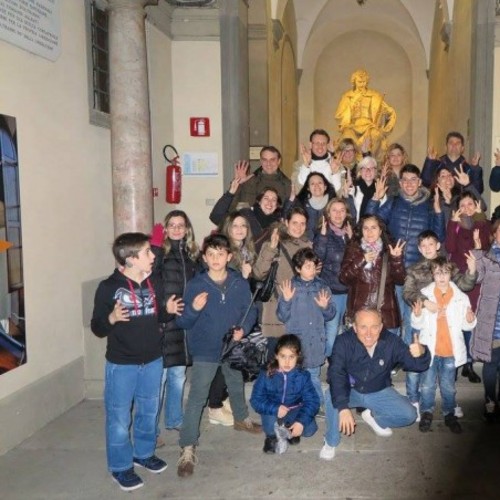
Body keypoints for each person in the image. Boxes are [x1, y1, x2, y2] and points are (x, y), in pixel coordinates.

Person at [90, 233, 181, 491]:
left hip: (153, 360)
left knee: (149, 411)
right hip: (122, 364)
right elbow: (97, 327)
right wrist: (111, 318)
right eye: (147, 252)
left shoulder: (154, 282)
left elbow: (158, 316)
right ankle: (120, 467)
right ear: (130, 259)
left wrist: (168, 311)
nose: (153, 256)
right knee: (119, 418)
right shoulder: (108, 287)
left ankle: (144, 453)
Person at [175, 234, 261, 478]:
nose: (215, 259)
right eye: (210, 254)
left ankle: (241, 419)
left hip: (231, 345)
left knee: (235, 381)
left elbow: (250, 311)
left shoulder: (238, 283)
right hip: (206, 349)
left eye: (220, 254)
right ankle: (187, 446)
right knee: (197, 396)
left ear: (229, 256)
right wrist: (194, 309)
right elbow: (183, 321)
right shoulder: (196, 285)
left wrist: (244, 329)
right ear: (204, 258)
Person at [319, 308, 430, 461]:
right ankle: (331, 441)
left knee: (410, 415)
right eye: (363, 327)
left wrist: (422, 352)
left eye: (374, 327)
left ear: (381, 327)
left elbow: (417, 365)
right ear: (355, 327)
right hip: (351, 390)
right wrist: (343, 408)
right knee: (331, 396)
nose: (369, 333)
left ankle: (372, 416)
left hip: (378, 390)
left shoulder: (391, 341)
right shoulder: (343, 341)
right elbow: (336, 374)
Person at [366, 164, 445, 345]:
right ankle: (393, 354)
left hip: (418, 272)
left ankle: (409, 353)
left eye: (413, 180)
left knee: (412, 318)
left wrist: (438, 212)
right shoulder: (393, 202)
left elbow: (439, 237)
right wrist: (375, 198)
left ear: (420, 182)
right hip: (393, 269)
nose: (409, 184)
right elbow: (369, 223)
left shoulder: (429, 205)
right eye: (405, 180)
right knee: (393, 317)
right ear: (400, 183)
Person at [403, 230, 477, 417]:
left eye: (431, 244)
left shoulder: (447, 265)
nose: (428, 248)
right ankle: (414, 399)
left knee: (448, 361)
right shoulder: (413, 269)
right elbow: (407, 293)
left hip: (446, 322)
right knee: (415, 362)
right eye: (424, 245)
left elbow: (464, 285)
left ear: (438, 245)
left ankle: (450, 400)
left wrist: (471, 271)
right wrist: (425, 302)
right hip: (421, 320)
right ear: (419, 249)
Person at [150, 211, 199, 446]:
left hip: (183, 323)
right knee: (158, 380)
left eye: (181, 225)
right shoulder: (161, 254)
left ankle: (174, 419)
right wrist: (156, 247)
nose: (177, 229)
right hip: (164, 321)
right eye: (172, 225)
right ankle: (151, 429)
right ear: (166, 229)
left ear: (187, 229)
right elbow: (150, 280)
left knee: (178, 375)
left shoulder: (191, 255)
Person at [412, 257, 477, 434]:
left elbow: (466, 325)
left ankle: (449, 414)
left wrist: (470, 320)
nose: (441, 277)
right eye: (437, 273)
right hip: (430, 351)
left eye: (445, 273)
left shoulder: (461, 297)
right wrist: (417, 315)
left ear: (451, 274)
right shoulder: (425, 294)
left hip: (450, 351)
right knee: (427, 385)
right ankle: (426, 412)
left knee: (448, 387)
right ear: (432, 274)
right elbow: (417, 324)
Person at [206, 211, 258, 427]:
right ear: (228, 228)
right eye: (235, 225)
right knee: (224, 358)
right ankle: (214, 406)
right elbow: (225, 285)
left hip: (240, 313)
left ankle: (223, 398)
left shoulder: (247, 252)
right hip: (225, 313)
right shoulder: (223, 251)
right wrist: (244, 277)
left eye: (243, 226)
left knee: (233, 358)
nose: (239, 229)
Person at [276, 248, 336, 404]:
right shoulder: (290, 287)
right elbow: (282, 316)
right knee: (295, 374)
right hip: (296, 341)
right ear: (298, 268)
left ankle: (317, 404)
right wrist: (286, 300)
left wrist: (325, 307)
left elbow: (331, 315)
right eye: (307, 266)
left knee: (313, 375)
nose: (312, 270)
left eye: (314, 266)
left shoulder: (322, 287)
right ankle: (298, 403)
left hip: (315, 340)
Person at [446, 192, 490, 383]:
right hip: (458, 279)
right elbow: (450, 247)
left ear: (476, 205)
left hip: (476, 280)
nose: (466, 208)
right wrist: (452, 224)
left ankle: (469, 364)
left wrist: (479, 219)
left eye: (470, 204)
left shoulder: (482, 223)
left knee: (471, 322)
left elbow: (484, 244)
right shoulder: (456, 225)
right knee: (456, 321)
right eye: (462, 205)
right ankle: (457, 361)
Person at [250, 334, 320, 454]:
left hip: (293, 409)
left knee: (309, 430)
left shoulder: (303, 376)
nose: (287, 362)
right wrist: (275, 408)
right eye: (283, 356)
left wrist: (300, 422)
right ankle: (271, 437)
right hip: (273, 410)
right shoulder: (266, 374)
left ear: (298, 356)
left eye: (291, 357)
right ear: (276, 356)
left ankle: (289, 430)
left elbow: (313, 401)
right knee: (270, 427)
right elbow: (255, 400)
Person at [339, 214, 406, 333]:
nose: (369, 232)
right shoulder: (353, 249)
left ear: (380, 231)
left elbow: (400, 280)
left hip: (386, 315)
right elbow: (344, 278)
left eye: (373, 228)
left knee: (387, 346)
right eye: (366, 228)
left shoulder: (389, 250)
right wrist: (361, 260)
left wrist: (396, 259)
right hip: (360, 313)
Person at [253, 207, 312, 338]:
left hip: (302, 308)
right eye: (294, 223)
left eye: (302, 223)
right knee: (276, 347)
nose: (298, 227)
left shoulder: (309, 246)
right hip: (277, 307)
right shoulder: (274, 243)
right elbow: (259, 273)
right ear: (286, 222)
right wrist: (271, 248)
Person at [313, 198, 353, 357]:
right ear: (328, 213)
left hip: (349, 290)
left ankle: (338, 359)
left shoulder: (349, 233)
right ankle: (326, 357)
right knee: (332, 328)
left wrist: (352, 240)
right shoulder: (323, 233)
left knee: (344, 328)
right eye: (334, 210)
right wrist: (322, 237)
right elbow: (317, 259)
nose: (338, 214)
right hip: (331, 289)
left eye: (342, 210)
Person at [471, 220, 500, 422]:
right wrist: (476, 253)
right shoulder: (487, 256)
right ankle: (490, 400)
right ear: (494, 234)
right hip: (493, 321)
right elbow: (477, 277)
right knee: (491, 363)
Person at [335, 69, 396, 160]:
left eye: (364, 82)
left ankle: (370, 162)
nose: (362, 85)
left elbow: (388, 111)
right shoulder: (348, 96)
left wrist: (388, 113)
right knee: (346, 136)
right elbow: (339, 115)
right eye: (359, 82)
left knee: (376, 135)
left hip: (369, 126)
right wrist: (352, 104)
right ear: (354, 82)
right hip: (352, 127)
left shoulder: (374, 96)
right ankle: (350, 164)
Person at [210, 178, 282, 252]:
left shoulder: (278, 224)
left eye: (274, 200)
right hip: (243, 257)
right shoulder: (246, 215)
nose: (270, 202)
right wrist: (230, 193)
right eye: (266, 198)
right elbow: (216, 217)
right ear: (259, 201)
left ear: (276, 205)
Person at [284, 172, 336, 240]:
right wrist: (291, 200)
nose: (316, 185)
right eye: (312, 183)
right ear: (308, 188)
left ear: (325, 187)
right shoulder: (300, 202)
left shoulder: (333, 204)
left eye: (320, 183)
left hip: (326, 242)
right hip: (304, 242)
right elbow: (284, 218)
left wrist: (347, 197)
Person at [347, 155, 380, 222]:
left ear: (375, 172)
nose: (368, 171)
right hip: (356, 226)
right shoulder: (353, 188)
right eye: (364, 168)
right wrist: (346, 193)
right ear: (360, 171)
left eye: (371, 168)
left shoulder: (380, 189)